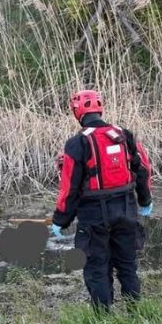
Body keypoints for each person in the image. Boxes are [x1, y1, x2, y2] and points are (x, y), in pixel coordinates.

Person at [50, 89, 153, 309]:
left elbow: (69, 187)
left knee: (97, 268)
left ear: (77, 112)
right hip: (126, 209)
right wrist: (145, 201)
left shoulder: (77, 143)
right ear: (100, 108)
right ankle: (135, 312)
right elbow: (143, 169)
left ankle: (103, 320)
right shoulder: (125, 135)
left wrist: (61, 220)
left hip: (94, 215)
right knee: (127, 265)